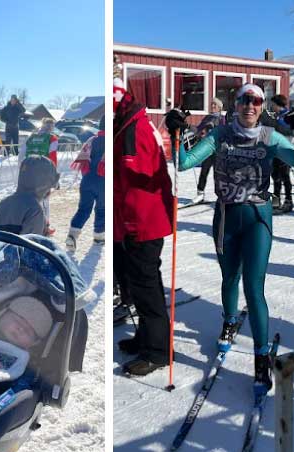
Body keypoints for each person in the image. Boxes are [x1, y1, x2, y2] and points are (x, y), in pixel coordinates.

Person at [165, 83, 294, 389]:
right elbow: (183, 163)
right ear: (235, 105)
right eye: (244, 101)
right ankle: (230, 321)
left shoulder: (269, 137)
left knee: (253, 287)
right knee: (229, 279)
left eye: (256, 101)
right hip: (226, 217)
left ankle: (261, 356)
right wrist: (176, 132)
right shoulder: (220, 135)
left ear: (262, 107)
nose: (250, 106)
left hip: (258, 218)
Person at [114, 76, 174, 376]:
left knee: (147, 287)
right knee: (138, 285)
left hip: (143, 222)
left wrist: (130, 224)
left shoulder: (134, 129)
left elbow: (136, 184)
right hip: (134, 222)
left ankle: (158, 351)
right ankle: (145, 338)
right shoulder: (129, 123)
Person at [0, 155, 59, 235]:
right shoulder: (34, 208)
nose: (49, 192)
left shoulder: (4, 203)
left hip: (0, 247)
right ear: (43, 184)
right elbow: (30, 243)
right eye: (49, 187)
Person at [67, 116, 106, 251]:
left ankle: (72, 235)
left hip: (87, 180)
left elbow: (83, 163)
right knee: (102, 209)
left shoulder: (91, 140)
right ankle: (99, 236)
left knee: (83, 209)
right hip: (103, 181)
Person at [21, 117, 60, 236]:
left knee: (28, 200)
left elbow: (22, 154)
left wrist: (21, 171)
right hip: (43, 173)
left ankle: (27, 225)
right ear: (52, 126)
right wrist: (55, 177)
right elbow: (52, 157)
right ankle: (44, 228)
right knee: (44, 202)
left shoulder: (31, 137)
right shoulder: (52, 138)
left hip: (27, 171)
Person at [191, 98, 226, 205]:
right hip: (207, 149)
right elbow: (198, 130)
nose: (213, 106)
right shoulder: (207, 117)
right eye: (212, 104)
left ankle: (220, 195)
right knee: (204, 171)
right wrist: (187, 127)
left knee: (218, 174)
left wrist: (213, 129)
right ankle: (200, 194)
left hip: (218, 150)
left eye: (215, 105)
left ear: (220, 107)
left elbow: (224, 132)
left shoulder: (223, 119)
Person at [266, 94, 294, 213]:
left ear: (278, 105)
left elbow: (287, 130)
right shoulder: (277, 116)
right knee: (275, 177)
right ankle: (276, 202)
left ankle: (289, 201)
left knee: (285, 177)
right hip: (275, 151)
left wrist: (273, 125)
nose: (272, 107)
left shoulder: (288, 116)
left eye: (273, 105)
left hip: (286, 150)